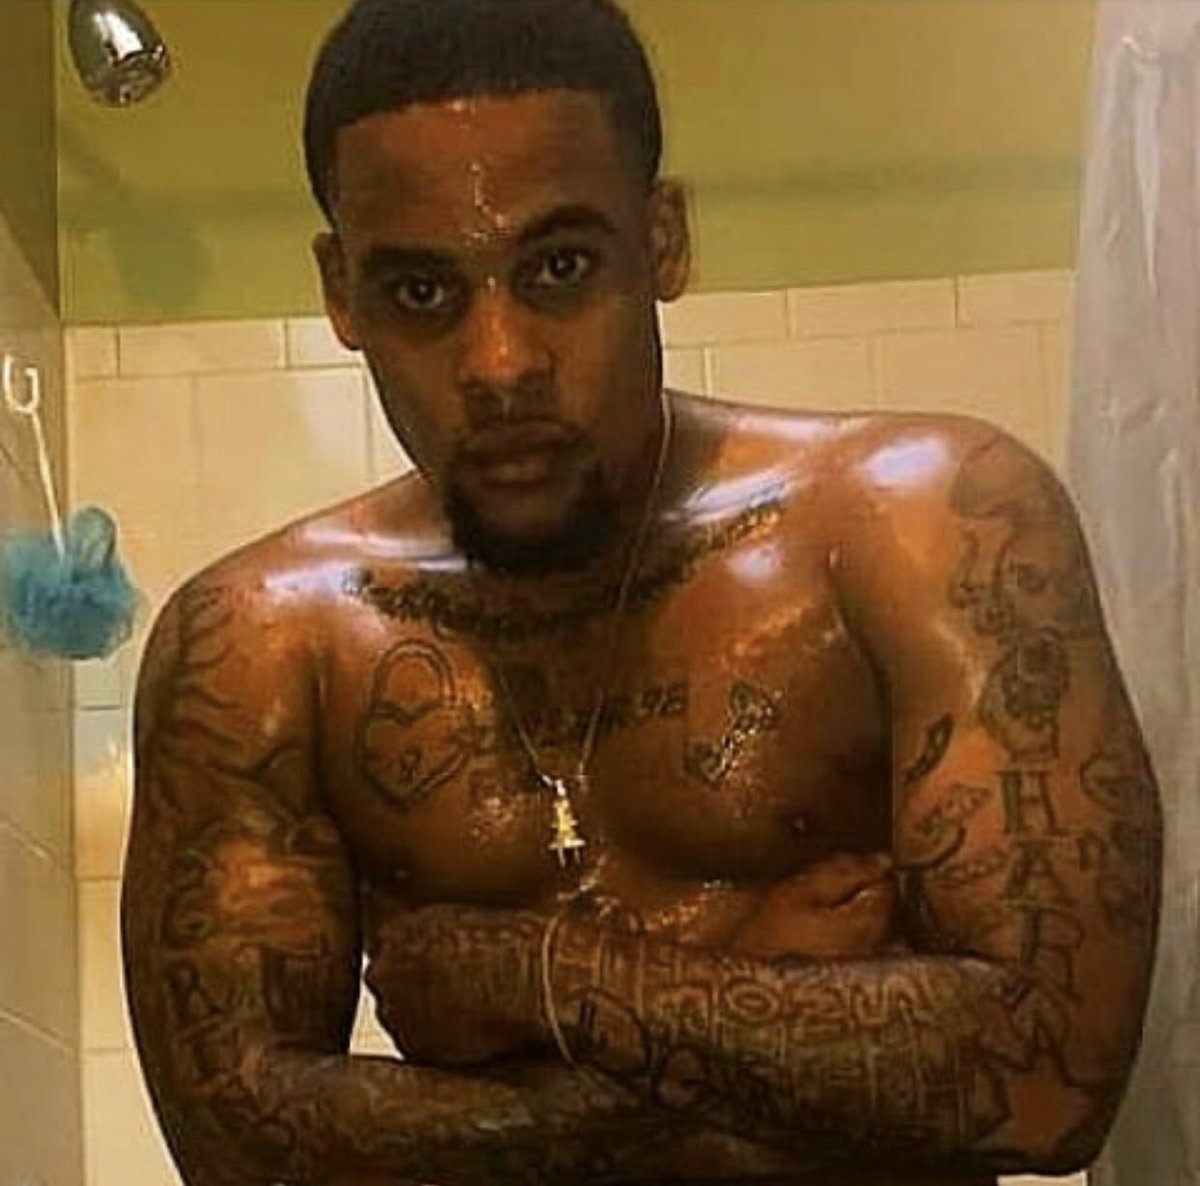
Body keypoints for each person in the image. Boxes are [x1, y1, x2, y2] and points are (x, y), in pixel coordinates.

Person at [121, 0, 1163, 1183]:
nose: (500, 363)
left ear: (663, 239)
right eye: (422, 294)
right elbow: (243, 1152)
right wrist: (775, 1008)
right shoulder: (263, 643)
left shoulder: (928, 522)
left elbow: (1046, 1077)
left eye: (559, 268)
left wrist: (526, 976)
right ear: (341, 292)